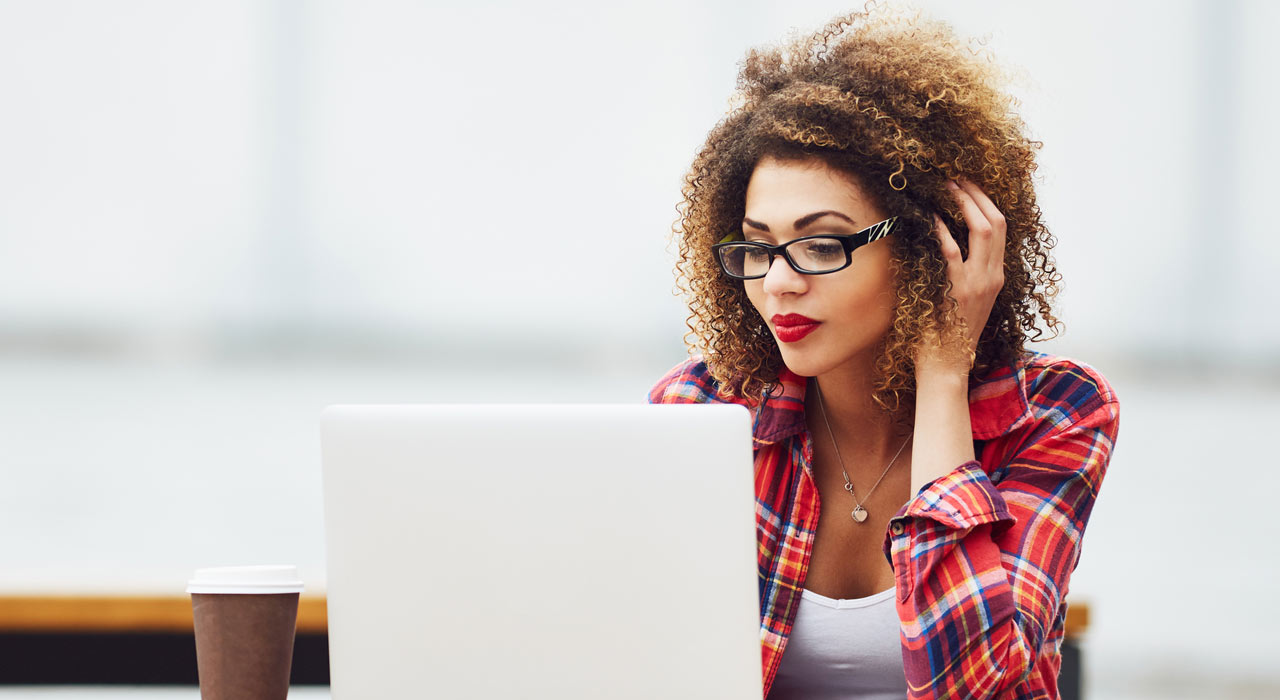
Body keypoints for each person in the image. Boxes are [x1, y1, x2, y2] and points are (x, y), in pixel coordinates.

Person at [647, 7, 1121, 700]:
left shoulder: (1053, 414)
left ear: (933, 244)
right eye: (757, 245)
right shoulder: (700, 413)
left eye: (821, 243)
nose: (779, 281)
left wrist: (942, 373)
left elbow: (977, 686)